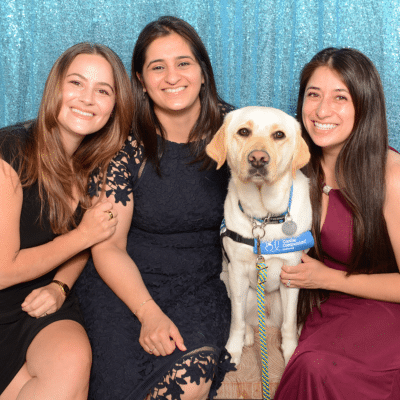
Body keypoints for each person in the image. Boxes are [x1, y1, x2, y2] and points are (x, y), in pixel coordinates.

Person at [75, 16, 235, 400]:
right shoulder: (124, 147)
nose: (172, 76)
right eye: (157, 67)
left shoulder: (236, 133)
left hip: (198, 286)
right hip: (123, 285)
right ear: (141, 80)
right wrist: (147, 312)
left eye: (183, 63)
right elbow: (108, 247)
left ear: (202, 72)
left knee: (190, 385)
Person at [0, 42, 133, 399]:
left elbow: (86, 246)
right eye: (76, 83)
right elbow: (2, 270)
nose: (88, 99)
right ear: (55, 87)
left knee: (73, 359)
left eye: (102, 90)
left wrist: (59, 287)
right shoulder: (8, 152)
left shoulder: (95, 167)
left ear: (114, 107)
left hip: (44, 301)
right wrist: (83, 234)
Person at [274, 47, 400, 399]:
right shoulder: (295, 169)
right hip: (331, 309)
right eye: (313, 95)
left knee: (321, 370)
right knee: (312, 366)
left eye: (340, 97)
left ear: (364, 106)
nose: (322, 110)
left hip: (387, 312)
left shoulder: (391, 176)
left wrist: (325, 277)